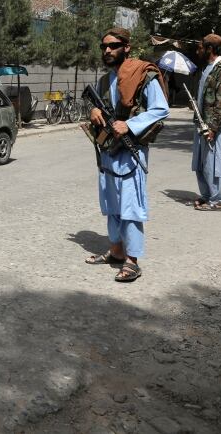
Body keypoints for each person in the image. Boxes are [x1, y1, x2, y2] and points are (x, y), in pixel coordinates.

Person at [84, 27, 170, 282]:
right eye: (104, 47)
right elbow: (98, 107)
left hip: (131, 151)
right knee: (111, 203)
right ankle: (117, 250)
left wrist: (130, 124)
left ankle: (133, 260)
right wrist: (93, 112)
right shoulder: (104, 80)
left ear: (127, 47)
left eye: (113, 46)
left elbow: (160, 109)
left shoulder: (144, 75)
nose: (107, 50)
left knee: (131, 206)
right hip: (108, 150)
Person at [192, 34, 221, 211]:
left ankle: (216, 200)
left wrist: (213, 128)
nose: (198, 50)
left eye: (201, 47)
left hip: (213, 127)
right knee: (201, 163)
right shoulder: (208, 69)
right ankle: (206, 195)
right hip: (202, 125)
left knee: (213, 163)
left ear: (210, 49)